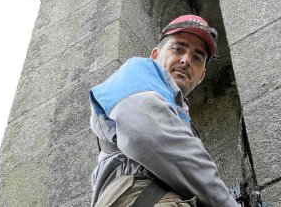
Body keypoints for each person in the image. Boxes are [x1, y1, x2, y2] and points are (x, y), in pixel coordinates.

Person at [89, 15, 239, 207]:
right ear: (154, 55)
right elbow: (145, 134)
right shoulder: (136, 71)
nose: (186, 60)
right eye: (178, 49)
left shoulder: (179, 113)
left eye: (197, 57)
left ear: (201, 76)